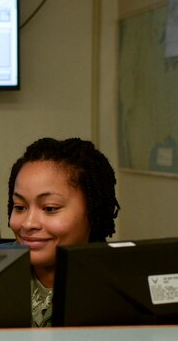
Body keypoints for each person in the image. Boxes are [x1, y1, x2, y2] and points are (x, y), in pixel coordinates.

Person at [7, 137, 120, 327]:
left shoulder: (118, 288)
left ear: (93, 211)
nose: (28, 223)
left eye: (50, 208)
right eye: (20, 207)